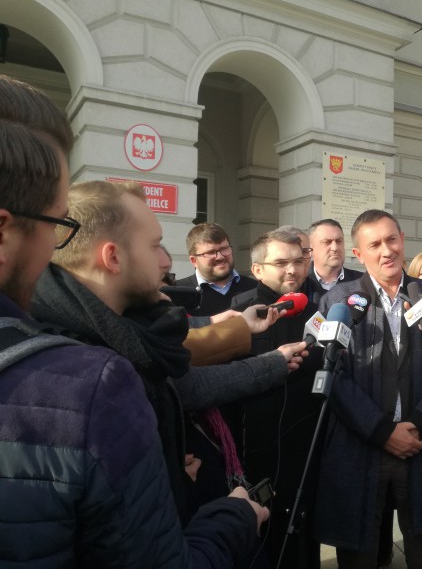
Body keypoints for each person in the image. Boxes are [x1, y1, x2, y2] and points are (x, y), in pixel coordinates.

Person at [0, 74, 264, 566]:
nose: (167, 260)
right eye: (57, 224)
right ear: (113, 258)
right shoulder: (96, 382)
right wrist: (235, 518)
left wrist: (148, 481)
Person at [314, 209, 422, 568]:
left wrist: (420, 424)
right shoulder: (338, 302)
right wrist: (382, 432)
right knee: (360, 557)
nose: (386, 250)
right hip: (362, 448)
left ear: (403, 240)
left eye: (392, 240)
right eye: (374, 244)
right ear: (358, 254)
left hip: (421, 446)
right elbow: (335, 377)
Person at [228, 229, 324, 569]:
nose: (292, 271)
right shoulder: (239, 314)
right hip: (256, 449)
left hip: (307, 446)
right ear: (257, 269)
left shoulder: (317, 310)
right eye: (281, 263)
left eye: (299, 261)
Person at [177, 222, 259, 316]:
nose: (220, 257)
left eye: (224, 249)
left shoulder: (255, 288)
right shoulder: (179, 294)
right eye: (211, 252)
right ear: (194, 260)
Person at [306, 218, 363, 303]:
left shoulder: (361, 282)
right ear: (311, 249)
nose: (335, 248)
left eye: (339, 241)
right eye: (327, 242)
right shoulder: (301, 282)